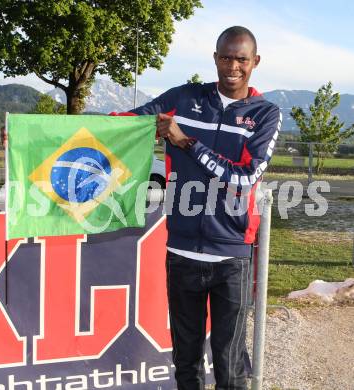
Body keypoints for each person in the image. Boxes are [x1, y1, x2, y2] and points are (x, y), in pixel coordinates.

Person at [128, 26, 281, 390]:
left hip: (231, 259)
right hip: (181, 252)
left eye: (241, 59)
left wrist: (185, 143)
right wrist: (41, 134)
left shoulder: (264, 114)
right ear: (215, 58)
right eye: (226, 57)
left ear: (254, 62)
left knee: (230, 368)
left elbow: (243, 179)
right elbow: (124, 124)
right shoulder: (184, 97)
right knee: (186, 365)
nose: (233, 66)